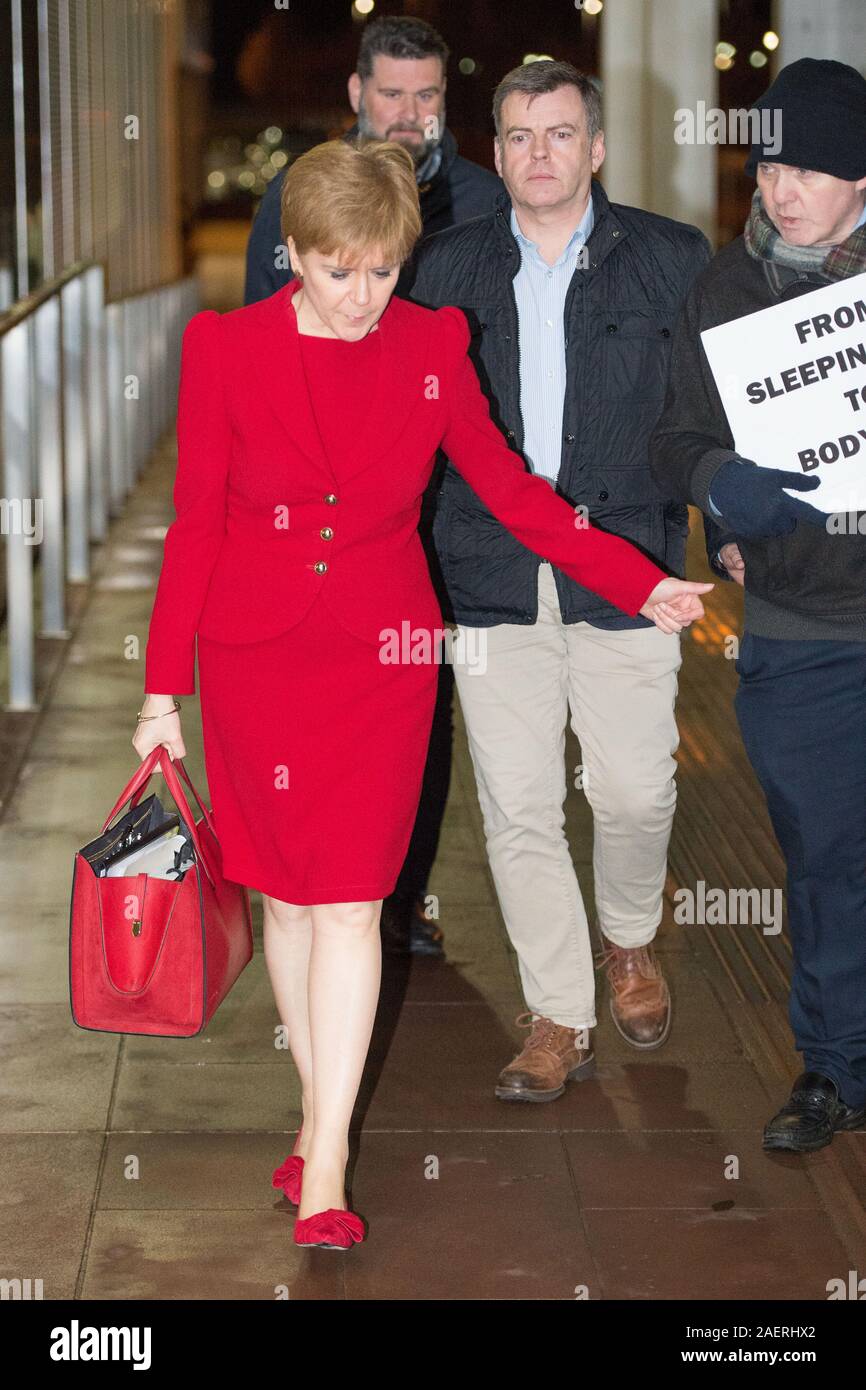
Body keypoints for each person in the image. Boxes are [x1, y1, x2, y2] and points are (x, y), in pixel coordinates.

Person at [136, 138, 711, 1251]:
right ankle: (316, 1115)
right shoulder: (226, 350)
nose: (363, 297)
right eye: (338, 269)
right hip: (253, 656)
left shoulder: (432, 345)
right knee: (286, 903)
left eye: (384, 269)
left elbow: (514, 494)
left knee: (351, 898)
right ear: (291, 255)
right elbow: (196, 522)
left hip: (378, 659)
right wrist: (163, 692)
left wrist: (639, 583)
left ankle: (327, 1159)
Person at [410, 60, 712, 1100]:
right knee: (519, 802)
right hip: (485, 571)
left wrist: (725, 533)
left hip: (623, 564)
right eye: (517, 136)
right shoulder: (440, 268)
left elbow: (704, 417)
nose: (537, 154)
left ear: (593, 148)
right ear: (493, 153)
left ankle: (626, 937)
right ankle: (557, 1011)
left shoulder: (669, 262)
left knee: (633, 790)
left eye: (558, 133)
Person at [245, 14, 503, 960]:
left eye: (426, 96)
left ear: (445, 101)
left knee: (414, 713)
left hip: (458, 488)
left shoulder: (480, 197)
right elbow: (265, 335)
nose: (408, 111)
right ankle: (337, 890)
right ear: (358, 94)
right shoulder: (302, 195)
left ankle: (397, 892)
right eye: (390, 93)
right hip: (336, 501)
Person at [649, 57, 866, 1153]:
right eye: (772, 161)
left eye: (815, 168)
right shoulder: (720, 293)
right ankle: (830, 1067)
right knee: (822, 856)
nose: (784, 188)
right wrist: (715, 496)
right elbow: (676, 433)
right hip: (796, 632)